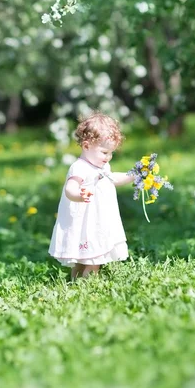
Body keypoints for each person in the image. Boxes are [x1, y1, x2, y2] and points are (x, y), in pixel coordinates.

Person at [48, 111, 133, 280]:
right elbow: (70, 188)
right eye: (104, 152)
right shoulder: (79, 167)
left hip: (98, 219)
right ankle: (87, 287)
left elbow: (112, 179)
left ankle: (76, 284)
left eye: (111, 153)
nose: (108, 157)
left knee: (86, 258)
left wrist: (133, 176)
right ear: (86, 146)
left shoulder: (102, 167)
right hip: (86, 222)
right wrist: (79, 195)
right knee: (93, 258)